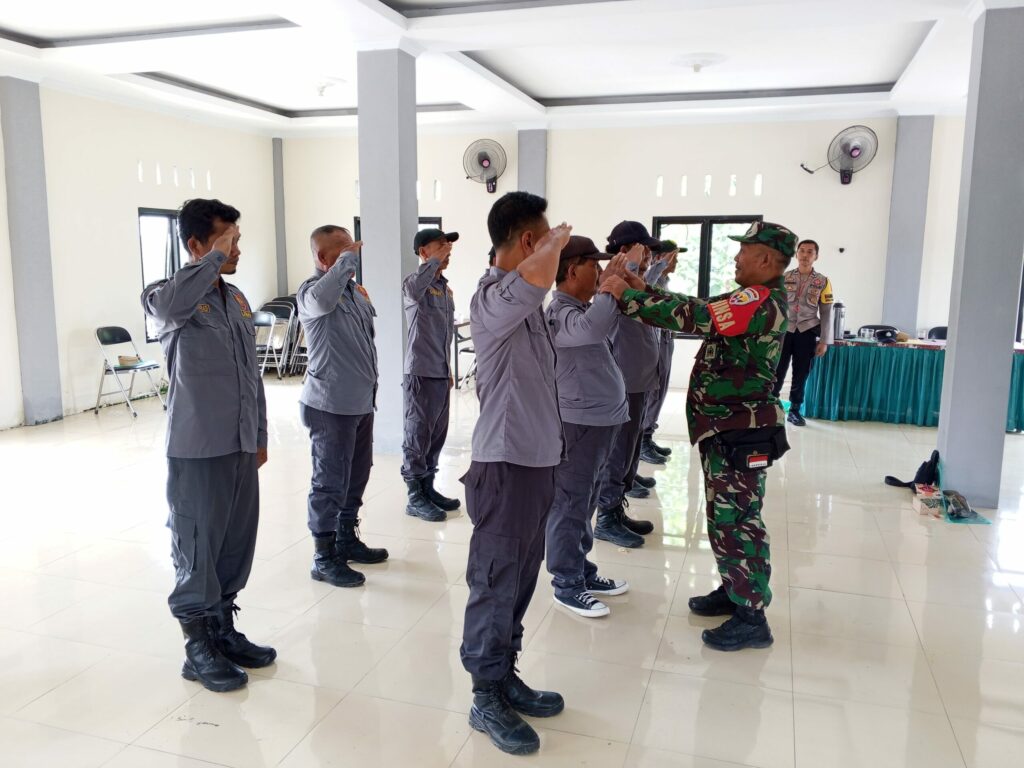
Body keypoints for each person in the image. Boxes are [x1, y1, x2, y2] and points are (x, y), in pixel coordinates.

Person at [600, 220, 797, 651]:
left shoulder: (760, 301)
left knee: (738, 520)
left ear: (766, 259)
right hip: (727, 426)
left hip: (741, 430)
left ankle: (751, 616)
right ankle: (735, 588)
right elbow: (699, 305)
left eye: (744, 251)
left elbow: (699, 318)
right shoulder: (754, 296)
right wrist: (642, 288)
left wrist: (627, 297)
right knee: (726, 517)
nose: (736, 257)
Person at [142, 198, 276, 693]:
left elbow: (251, 373)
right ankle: (197, 647)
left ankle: (221, 629)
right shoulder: (165, 294)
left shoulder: (235, 299)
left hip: (239, 442)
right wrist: (213, 259)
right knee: (197, 545)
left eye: (237, 241)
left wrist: (259, 435)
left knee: (235, 543)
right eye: (226, 241)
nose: (236, 250)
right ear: (196, 244)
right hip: (198, 444)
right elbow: (168, 309)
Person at [461, 191, 570, 756]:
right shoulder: (493, 299)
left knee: (523, 577)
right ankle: (485, 695)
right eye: (544, 238)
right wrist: (554, 244)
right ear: (529, 240)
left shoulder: (525, 307)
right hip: (504, 465)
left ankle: (504, 675)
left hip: (536, 462)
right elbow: (538, 276)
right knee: (496, 580)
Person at [296, 225, 389, 590]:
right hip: (330, 405)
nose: (353, 256)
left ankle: (346, 539)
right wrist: (347, 261)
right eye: (344, 250)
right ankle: (323, 557)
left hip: (360, 401)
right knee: (329, 481)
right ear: (323, 257)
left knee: (357, 475)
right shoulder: (312, 292)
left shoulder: (353, 293)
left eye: (353, 250)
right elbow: (321, 302)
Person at [545, 237, 632, 618]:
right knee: (570, 504)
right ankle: (566, 583)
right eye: (593, 265)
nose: (599, 272)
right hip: (578, 422)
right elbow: (593, 329)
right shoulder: (559, 312)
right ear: (571, 270)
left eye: (601, 267)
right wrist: (610, 285)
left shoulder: (581, 308)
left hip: (599, 421)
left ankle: (581, 569)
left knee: (586, 501)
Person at [594, 221, 661, 548]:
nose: (648, 256)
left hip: (640, 379)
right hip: (623, 380)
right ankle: (606, 517)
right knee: (618, 452)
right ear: (625, 250)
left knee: (631, 451)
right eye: (643, 250)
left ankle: (616, 509)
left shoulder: (634, 280)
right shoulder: (612, 280)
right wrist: (630, 264)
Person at [401, 228, 461, 522]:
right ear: (424, 252)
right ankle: (414, 496)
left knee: (436, 435)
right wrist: (434, 262)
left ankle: (428, 488)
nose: (448, 250)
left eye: (448, 245)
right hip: (420, 373)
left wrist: (447, 369)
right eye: (441, 245)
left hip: (439, 373)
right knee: (417, 434)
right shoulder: (414, 285)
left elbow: (444, 335)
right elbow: (414, 290)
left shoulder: (445, 289)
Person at [773, 239, 833, 426]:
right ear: (796, 253)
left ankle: (795, 410)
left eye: (810, 252)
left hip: (807, 331)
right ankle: (772, 408)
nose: (805, 255)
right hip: (784, 331)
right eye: (802, 251)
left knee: (801, 373)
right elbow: (775, 305)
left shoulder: (823, 281)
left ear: (816, 256)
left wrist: (824, 341)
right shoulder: (784, 277)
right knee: (777, 370)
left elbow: (826, 312)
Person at [639, 240, 685, 464]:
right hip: (654, 340)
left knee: (662, 388)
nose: (675, 263)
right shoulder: (651, 278)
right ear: (659, 258)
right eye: (672, 258)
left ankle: (648, 435)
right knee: (653, 391)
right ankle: (642, 441)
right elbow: (644, 291)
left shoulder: (664, 281)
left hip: (666, 338)